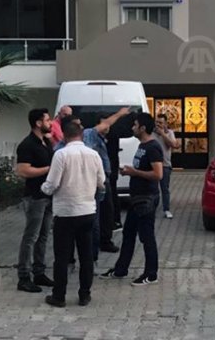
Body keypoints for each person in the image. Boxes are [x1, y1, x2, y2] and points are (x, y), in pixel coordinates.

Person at [41, 120, 106, 308]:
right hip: (87, 210)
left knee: (62, 257)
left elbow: (52, 184)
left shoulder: (61, 155)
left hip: (65, 212)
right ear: (81, 135)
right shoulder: (93, 154)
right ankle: (84, 294)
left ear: (64, 135)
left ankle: (59, 296)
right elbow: (101, 181)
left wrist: (44, 188)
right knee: (86, 256)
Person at [54, 107, 130, 259]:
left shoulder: (61, 148)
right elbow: (105, 124)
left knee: (84, 221)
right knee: (91, 221)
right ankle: (87, 256)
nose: (81, 127)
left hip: (80, 189)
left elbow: (106, 124)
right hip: (87, 187)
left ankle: (79, 256)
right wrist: (120, 113)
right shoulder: (83, 138)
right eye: (78, 125)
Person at [99, 113, 164, 286]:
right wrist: (130, 171)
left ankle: (151, 274)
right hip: (137, 198)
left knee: (146, 237)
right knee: (128, 233)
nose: (132, 127)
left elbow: (158, 174)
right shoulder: (142, 146)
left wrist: (134, 173)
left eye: (135, 125)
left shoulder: (153, 147)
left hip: (146, 198)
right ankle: (121, 269)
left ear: (143, 128)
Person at [15, 108, 56, 293]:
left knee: (43, 236)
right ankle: (24, 276)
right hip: (34, 197)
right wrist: (48, 169)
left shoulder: (45, 142)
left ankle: (39, 272)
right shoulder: (27, 145)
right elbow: (23, 170)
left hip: (47, 196)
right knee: (31, 236)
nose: (50, 123)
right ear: (38, 123)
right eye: (47, 120)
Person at [153, 113, 180, 219]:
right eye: (156, 122)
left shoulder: (169, 133)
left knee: (165, 188)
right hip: (153, 165)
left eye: (160, 123)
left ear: (165, 124)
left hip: (165, 165)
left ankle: (166, 209)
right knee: (154, 189)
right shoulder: (151, 133)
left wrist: (163, 134)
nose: (158, 125)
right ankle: (152, 209)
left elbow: (173, 145)